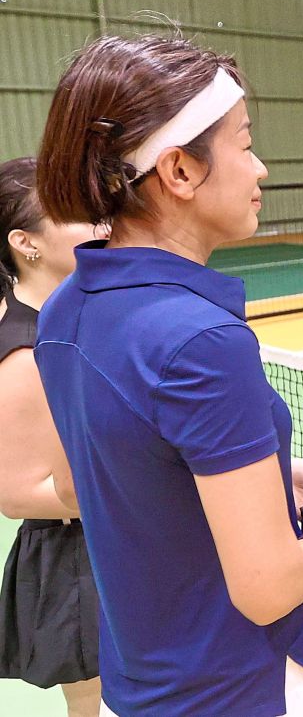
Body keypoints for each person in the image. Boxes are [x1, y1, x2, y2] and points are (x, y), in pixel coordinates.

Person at [33, 34, 303, 717]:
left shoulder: (64, 310)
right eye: (244, 145)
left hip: (141, 686)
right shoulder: (203, 342)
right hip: (256, 685)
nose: (262, 169)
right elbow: (268, 586)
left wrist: (266, 478)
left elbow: (90, 481)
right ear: (180, 171)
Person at [0, 157, 103, 716]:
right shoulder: (22, 351)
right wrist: (135, 493)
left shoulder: (75, 317)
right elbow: (16, 495)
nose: (101, 224)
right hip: (76, 563)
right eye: (78, 214)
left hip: (115, 539)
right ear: (26, 242)